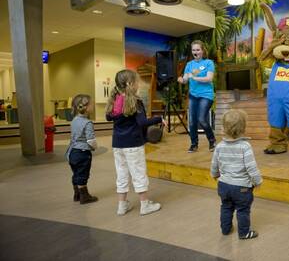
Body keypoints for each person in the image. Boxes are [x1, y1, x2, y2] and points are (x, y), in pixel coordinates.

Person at [106, 69, 166, 216]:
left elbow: (109, 117)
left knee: (122, 174)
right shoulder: (135, 101)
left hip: (118, 145)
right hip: (133, 144)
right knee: (139, 173)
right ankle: (144, 205)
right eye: (137, 81)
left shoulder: (115, 99)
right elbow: (142, 122)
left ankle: (122, 206)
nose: (139, 84)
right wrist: (158, 119)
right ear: (131, 84)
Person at [211, 109, 262, 240]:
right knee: (243, 210)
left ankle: (226, 229)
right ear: (243, 128)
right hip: (242, 188)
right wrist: (257, 181)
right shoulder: (245, 146)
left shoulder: (219, 146)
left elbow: (214, 164)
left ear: (223, 128)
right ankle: (244, 233)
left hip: (223, 185)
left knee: (226, 207)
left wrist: (214, 174)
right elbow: (251, 167)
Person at [177, 40, 216, 153]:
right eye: (193, 50)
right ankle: (194, 144)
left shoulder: (209, 63)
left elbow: (209, 78)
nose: (195, 52)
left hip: (206, 95)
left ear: (202, 51)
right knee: (192, 122)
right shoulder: (189, 65)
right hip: (193, 95)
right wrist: (181, 80)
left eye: (198, 50)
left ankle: (212, 140)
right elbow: (185, 79)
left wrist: (193, 77)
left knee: (202, 119)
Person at [66, 94, 98, 204]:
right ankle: (84, 196)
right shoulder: (87, 123)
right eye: (92, 104)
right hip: (83, 153)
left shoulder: (74, 120)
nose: (93, 106)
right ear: (86, 107)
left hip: (72, 152)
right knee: (83, 174)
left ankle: (77, 194)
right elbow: (90, 140)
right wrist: (94, 146)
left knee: (76, 173)